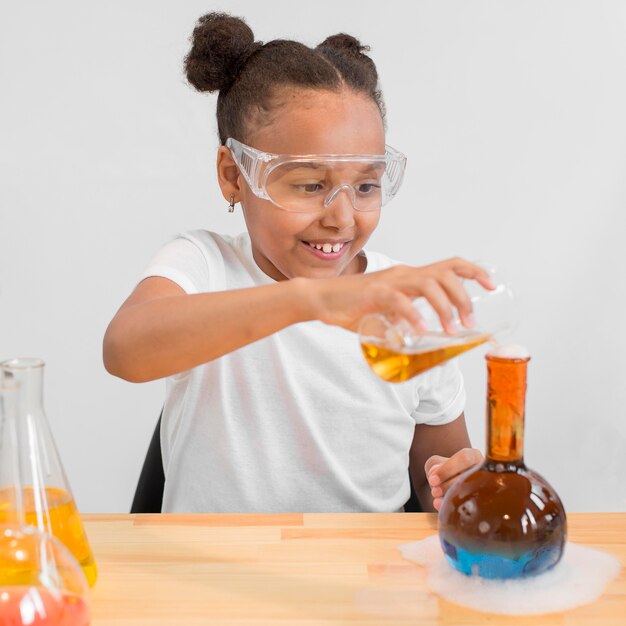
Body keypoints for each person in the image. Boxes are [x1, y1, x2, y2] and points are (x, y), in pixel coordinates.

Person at [103, 12, 489, 514]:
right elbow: (124, 349)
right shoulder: (203, 265)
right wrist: (311, 301)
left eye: (367, 185)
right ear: (233, 176)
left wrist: (458, 486)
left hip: (362, 581)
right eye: (310, 185)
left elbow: (435, 480)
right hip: (217, 579)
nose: (342, 217)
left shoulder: (407, 307)